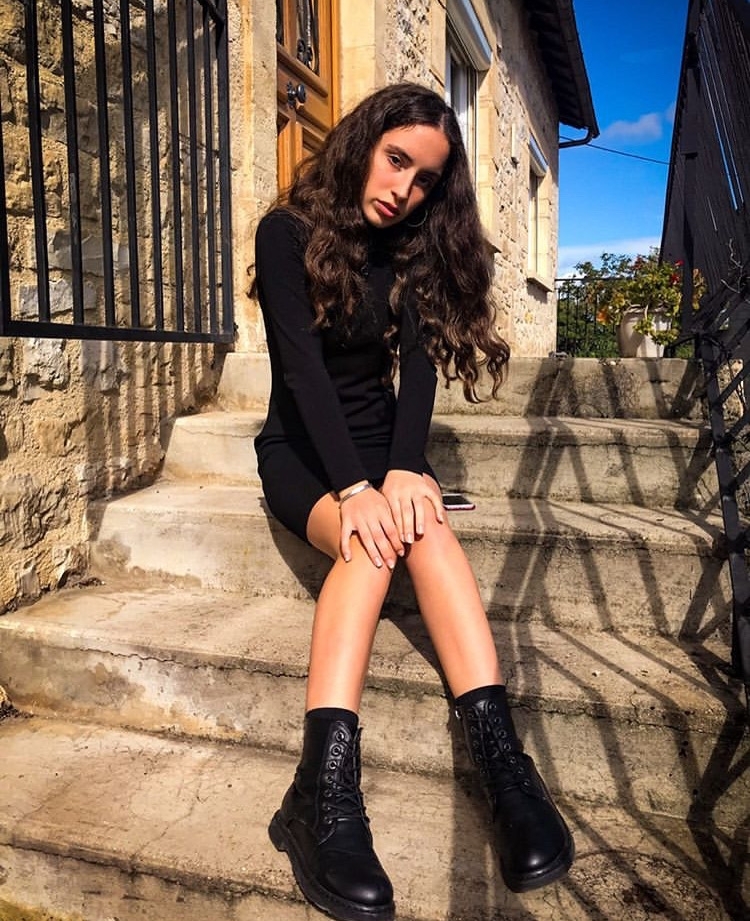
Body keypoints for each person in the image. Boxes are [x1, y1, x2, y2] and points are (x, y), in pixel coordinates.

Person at [253, 82, 574, 921]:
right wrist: (356, 487)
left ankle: (504, 766)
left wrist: (403, 470)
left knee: (425, 527)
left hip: (379, 456)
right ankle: (320, 794)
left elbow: (420, 373)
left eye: (425, 178)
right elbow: (302, 375)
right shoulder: (285, 233)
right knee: (368, 544)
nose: (404, 188)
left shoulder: (413, 251)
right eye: (396, 160)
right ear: (364, 143)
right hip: (304, 456)